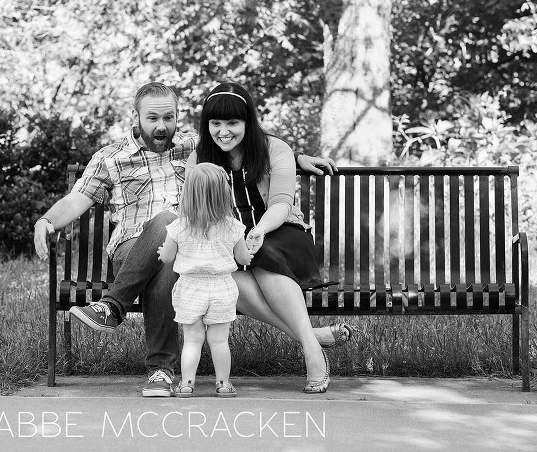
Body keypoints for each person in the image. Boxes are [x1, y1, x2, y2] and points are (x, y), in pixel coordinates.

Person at [33, 82, 342, 398]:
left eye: (169, 117)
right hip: (132, 249)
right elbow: (75, 201)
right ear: (135, 116)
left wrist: (297, 156)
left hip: (185, 249)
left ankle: (155, 365)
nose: (161, 126)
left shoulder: (193, 147)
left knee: (181, 247)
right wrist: (46, 220)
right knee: (169, 223)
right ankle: (132, 330)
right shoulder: (110, 157)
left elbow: (245, 137)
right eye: (152, 118)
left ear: (178, 116)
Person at [188, 81, 335, 393]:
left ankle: (310, 350)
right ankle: (310, 339)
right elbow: (201, 214)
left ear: (247, 122)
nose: (223, 131)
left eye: (233, 122)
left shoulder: (274, 149)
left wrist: (258, 230)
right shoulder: (199, 160)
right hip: (228, 243)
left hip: (280, 232)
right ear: (207, 124)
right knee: (223, 271)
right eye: (216, 123)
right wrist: (234, 239)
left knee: (264, 252)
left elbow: (281, 203)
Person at [157, 163, 253, 398]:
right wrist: (248, 252)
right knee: (219, 340)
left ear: (188, 194)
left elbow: (167, 258)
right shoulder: (233, 226)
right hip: (222, 287)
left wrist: (161, 252)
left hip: (190, 288)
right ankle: (223, 384)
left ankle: (187, 384)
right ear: (224, 194)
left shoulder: (178, 227)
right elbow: (242, 258)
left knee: (192, 340)